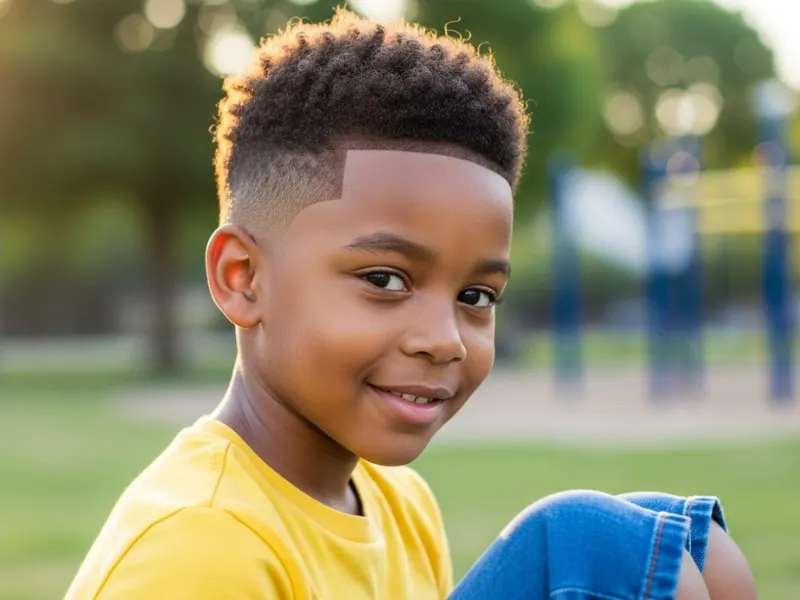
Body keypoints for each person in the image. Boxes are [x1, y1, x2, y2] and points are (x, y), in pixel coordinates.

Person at [65, 8, 756, 600]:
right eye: (386, 279)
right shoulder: (200, 542)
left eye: (476, 295)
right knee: (596, 552)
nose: (444, 338)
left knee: (693, 550)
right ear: (243, 278)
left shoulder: (400, 504)